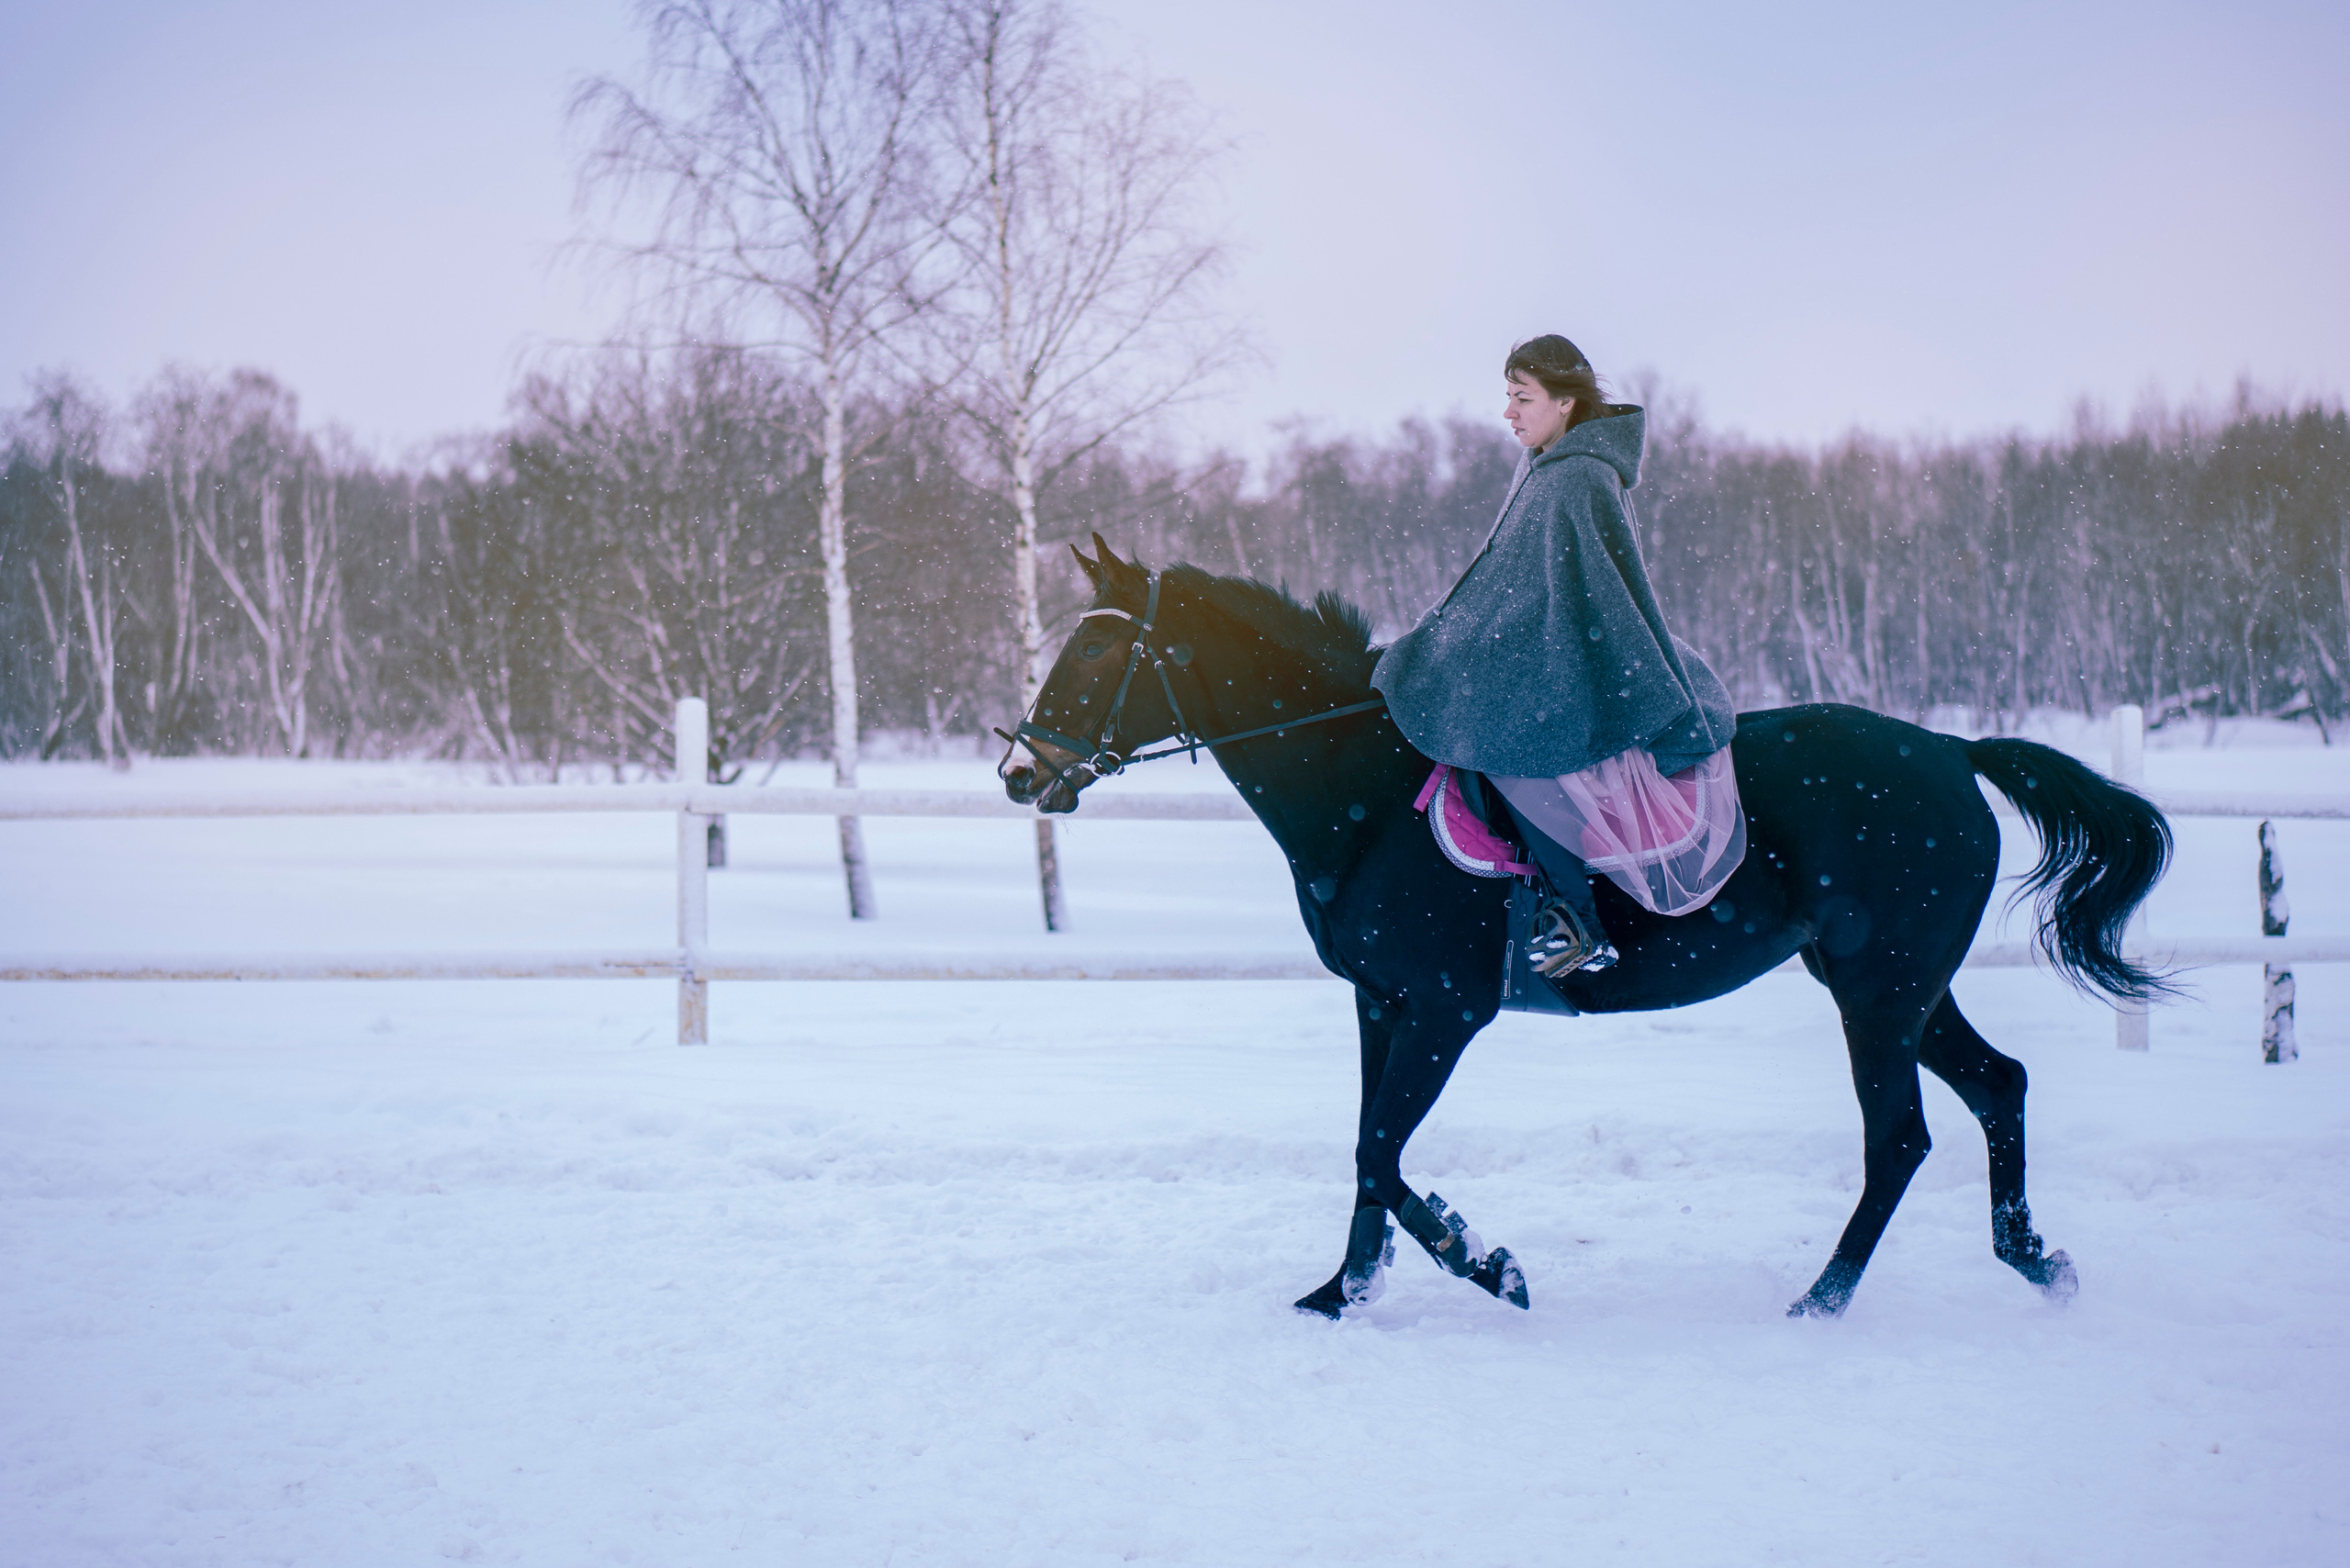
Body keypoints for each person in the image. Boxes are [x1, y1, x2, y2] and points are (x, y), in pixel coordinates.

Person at [1371, 335, 1745, 975]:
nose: (1509, 412)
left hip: (1571, 667)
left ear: (1566, 403)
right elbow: (1506, 585)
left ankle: (1578, 920)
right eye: (1508, 397)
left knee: (1512, 753)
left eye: (1523, 398)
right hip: (1543, 659)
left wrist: (1485, 646)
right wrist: (1447, 638)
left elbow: (1596, 598)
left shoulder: (1577, 478)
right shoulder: (1544, 469)